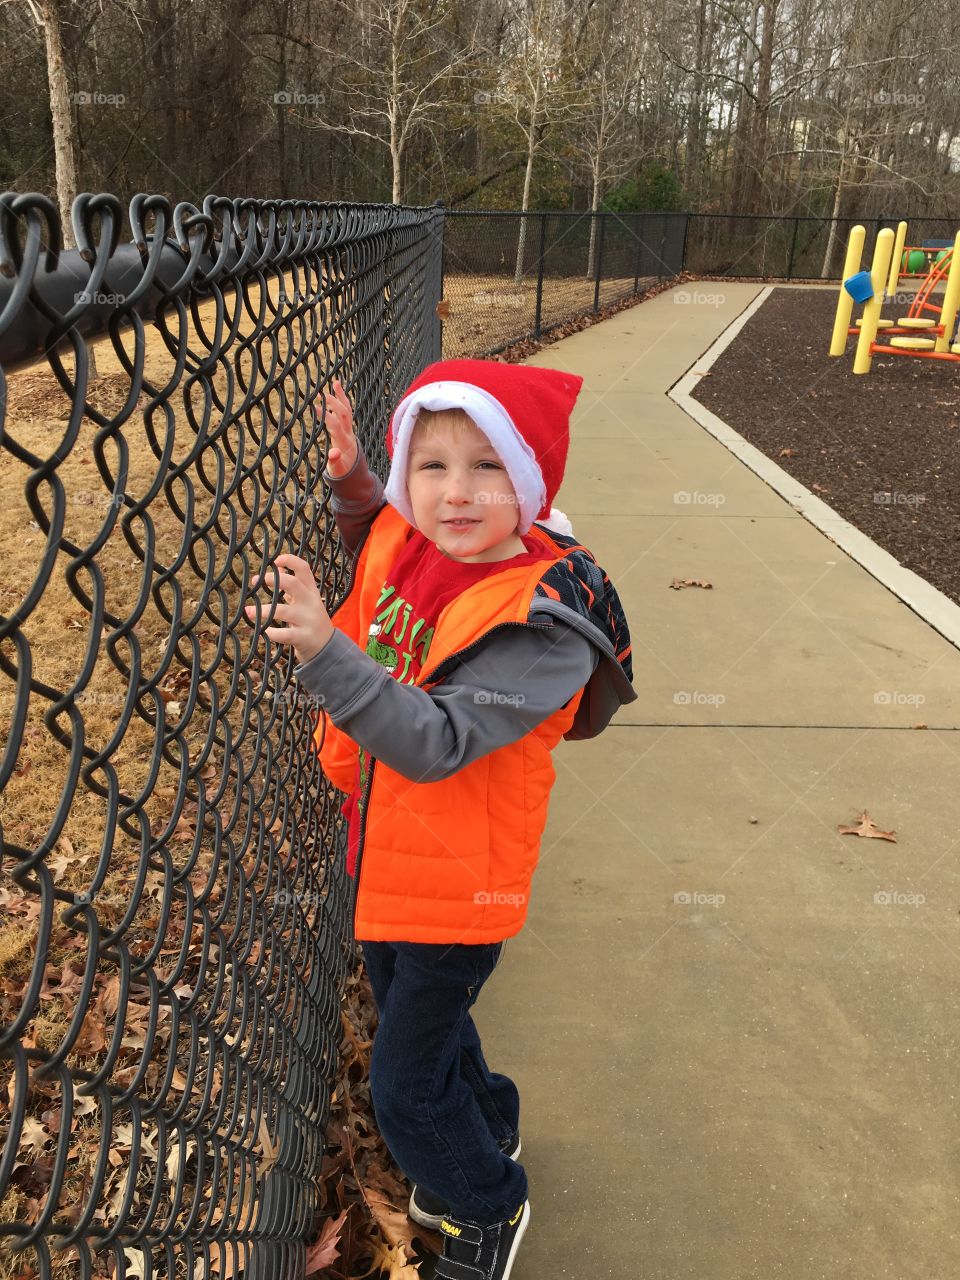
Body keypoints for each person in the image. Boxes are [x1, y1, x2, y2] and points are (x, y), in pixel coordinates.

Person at [244, 358, 637, 1280]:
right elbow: (381, 541)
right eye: (433, 465)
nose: (456, 494)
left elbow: (435, 738)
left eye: (487, 467)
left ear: (530, 483)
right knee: (422, 1015)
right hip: (388, 857)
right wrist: (355, 482)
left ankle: (485, 1202)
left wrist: (327, 655)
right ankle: (490, 1119)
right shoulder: (429, 540)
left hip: (462, 884)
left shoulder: (539, 631)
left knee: (406, 1088)